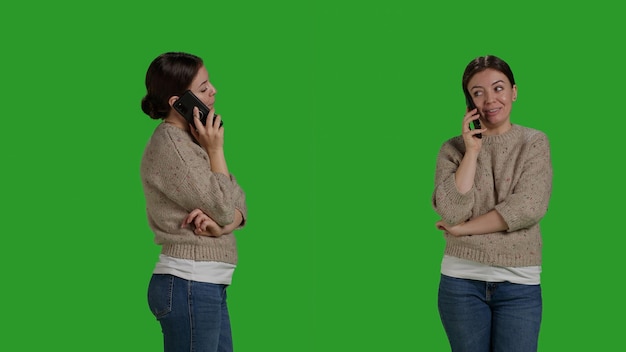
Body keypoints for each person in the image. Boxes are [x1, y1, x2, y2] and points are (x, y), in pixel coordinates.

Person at [432, 55, 552, 352]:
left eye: (498, 88)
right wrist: (472, 151)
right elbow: (451, 210)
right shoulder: (453, 149)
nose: (490, 100)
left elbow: (528, 207)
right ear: (469, 102)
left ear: (514, 91)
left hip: (519, 283)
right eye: (478, 92)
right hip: (461, 282)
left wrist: (463, 231)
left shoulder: (534, 142)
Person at [140, 52, 247, 352]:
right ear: (178, 103)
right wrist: (216, 150)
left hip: (203, 285)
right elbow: (226, 206)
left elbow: (238, 201)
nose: (213, 91)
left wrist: (223, 228)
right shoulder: (172, 147)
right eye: (203, 89)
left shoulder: (191, 139)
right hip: (189, 284)